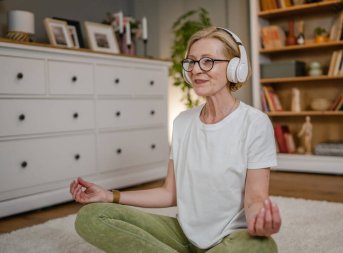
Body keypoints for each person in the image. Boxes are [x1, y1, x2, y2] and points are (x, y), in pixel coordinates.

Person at [71, 26, 281, 253]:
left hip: (231, 238)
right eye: (191, 62)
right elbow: (170, 193)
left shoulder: (255, 123)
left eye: (207, 61)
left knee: (262, 246)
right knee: (91, 216)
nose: (196, 70)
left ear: (234, 68)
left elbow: (255, 198)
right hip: (183, 234)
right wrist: (110, 195)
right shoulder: (182, 122)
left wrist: (261, 222)